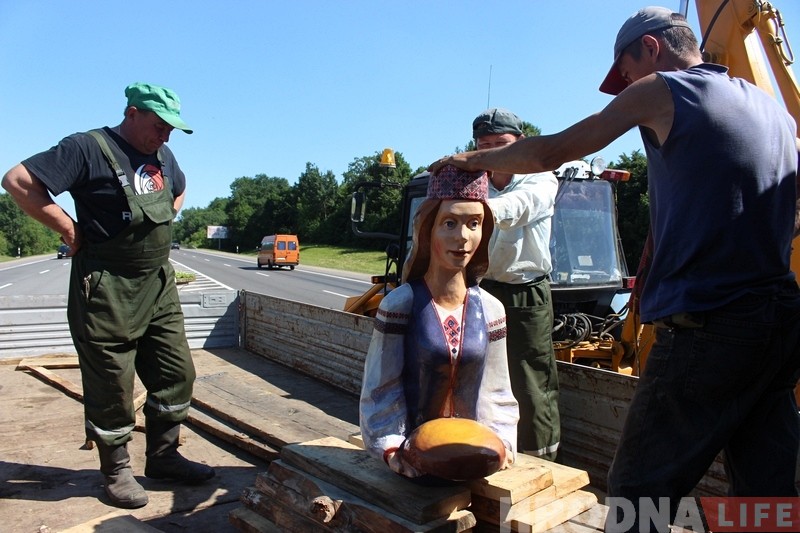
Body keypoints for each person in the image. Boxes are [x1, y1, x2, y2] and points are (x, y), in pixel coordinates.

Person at [429, 5, 800, 528]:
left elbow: (554, 150)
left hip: (711, 321)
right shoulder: (772, 111)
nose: (625, 83)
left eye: (625, 71)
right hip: (780, 319)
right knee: (765, 488)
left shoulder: (667, 89)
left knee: (639, 490)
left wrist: (472, 162)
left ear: (651, 47)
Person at [1, 82, 215, 509]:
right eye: (159, 125)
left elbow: (179, 189)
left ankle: (163, 457)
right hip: (107, 286)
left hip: (157, 282)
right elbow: (18, 180)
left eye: (172, 129)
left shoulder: (163, 155)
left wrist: (171, 211)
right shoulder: (87, 148)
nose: (166, 135)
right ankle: (116, 470)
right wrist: (68, 229)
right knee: (112, 384)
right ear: (132, 113)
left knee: (177, 374)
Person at [359, 164, 519, 478]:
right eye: (449, 223)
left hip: (473, 453)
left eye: (474, 223)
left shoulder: (491, 309)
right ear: (428, 229)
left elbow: (496, 391)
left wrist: (501, 442)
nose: (462, 237)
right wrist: (392, 449)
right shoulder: (401, 304)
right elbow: (381, 388)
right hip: (414, 455)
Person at [471, 108, 561, 461]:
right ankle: (484, 451)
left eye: (502, 144)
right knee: (475, 372)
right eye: (486, 145)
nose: (494, 152)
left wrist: (473, 212)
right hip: (479, 290)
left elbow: (520, 207)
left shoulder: (540, 178)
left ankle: (540, 460)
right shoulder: (472, 181)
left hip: (526, 294)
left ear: (520, 143)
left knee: (529, 379)